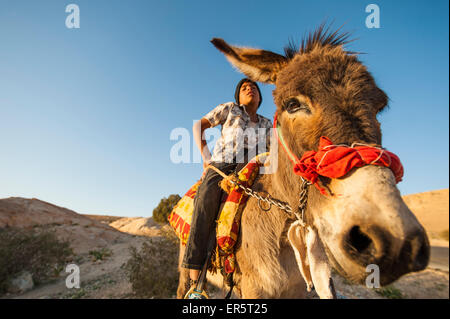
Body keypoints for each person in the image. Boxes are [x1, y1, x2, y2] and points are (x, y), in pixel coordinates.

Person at [182, 78, 272, 298]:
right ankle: (196, 284)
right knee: (204, 201)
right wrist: (205, 157)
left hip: (251, 167)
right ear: (238, 97)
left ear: (260, 97)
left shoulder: (267, 124)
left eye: (253, 87)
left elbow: (276, 150)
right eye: (244, 88)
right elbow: (199, 125)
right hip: (222, 164)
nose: (249, 88)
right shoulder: (229, 109)